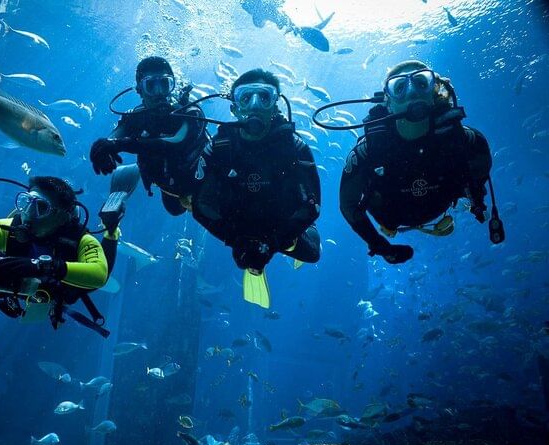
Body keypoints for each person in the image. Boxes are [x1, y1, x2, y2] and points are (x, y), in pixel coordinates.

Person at [339, 60, 494, 264]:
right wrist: (378, 243)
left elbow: (481, 166)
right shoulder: (367, 151)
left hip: (434, 209)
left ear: (434, 91)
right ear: (388, 102)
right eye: (399, 87)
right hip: (392, 219)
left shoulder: (463, 139)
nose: (412, 92)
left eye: (421, 83)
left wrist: (475, 193)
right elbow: (348, 203)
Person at [191, 69, 321, 307]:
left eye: (264, 97)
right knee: (236, 263)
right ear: (234, 107)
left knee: (312, 254)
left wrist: (274, 242)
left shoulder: (294, 147)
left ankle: (291, 241)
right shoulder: (218, 148)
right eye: (245, 97)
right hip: (237, 223)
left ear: (275, 105)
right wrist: (233, 239)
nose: (254, 105)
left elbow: (312, 206)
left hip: (281, 222)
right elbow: (199, 204)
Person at [0, 176, 118, 336]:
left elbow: (99, 273)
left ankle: (111, 233)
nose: (29, 212)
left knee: (87, 285)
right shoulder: (7, 228)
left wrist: (46, 267)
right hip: (23, 289)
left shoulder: (81, 239)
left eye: (41, 207)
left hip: (64, 289)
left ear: (62, 217)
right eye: (26, 202)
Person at [89, 56, 208, 216]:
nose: (159, 92)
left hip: (203, 181)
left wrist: (119, 145)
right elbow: (111, 139)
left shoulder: (190, 113)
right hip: (168, 186)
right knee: (174, 210)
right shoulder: (135, 117)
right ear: (139, 90)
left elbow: (176, 143)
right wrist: (101, 149)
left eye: (164, 84)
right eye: (151, 85)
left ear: (172, 85)